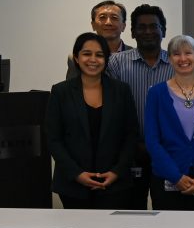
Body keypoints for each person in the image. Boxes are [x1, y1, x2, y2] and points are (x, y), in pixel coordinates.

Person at [47, 32, 138, 209]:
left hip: (115, 185)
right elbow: (53, 139)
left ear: (106, 59)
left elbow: (131, 135)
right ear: (76, 57)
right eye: (87, 54)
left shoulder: (121, 90)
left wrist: (116, 172)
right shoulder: (60, 92)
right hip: (73, 185)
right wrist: (77, 174)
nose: (93, 60)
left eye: (99, 55)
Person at [144, 35, 194, 211]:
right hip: (165, 180)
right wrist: (176, 177)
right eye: (176, 54)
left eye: (188, 53)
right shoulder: (156, 94)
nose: (183, 59)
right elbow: (152, 141)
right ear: (169, 58)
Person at [107, 4, 174, 209]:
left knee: (168, 213)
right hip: (130, 152)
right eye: (141, 27)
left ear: (163, 30)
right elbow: (113, 111)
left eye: (154, 26)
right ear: (133, 32)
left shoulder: (176, 64)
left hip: (167, 151)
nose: (148, 31)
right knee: (130, 213)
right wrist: (132, 145)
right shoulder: (116, 63)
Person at [66, 0, 132, 79]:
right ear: (93, 25)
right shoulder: (77, 58)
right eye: (102, 17)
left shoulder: (137, 57)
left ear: (123, 26)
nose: (108, 23)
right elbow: (71, 89)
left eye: (114, 18)